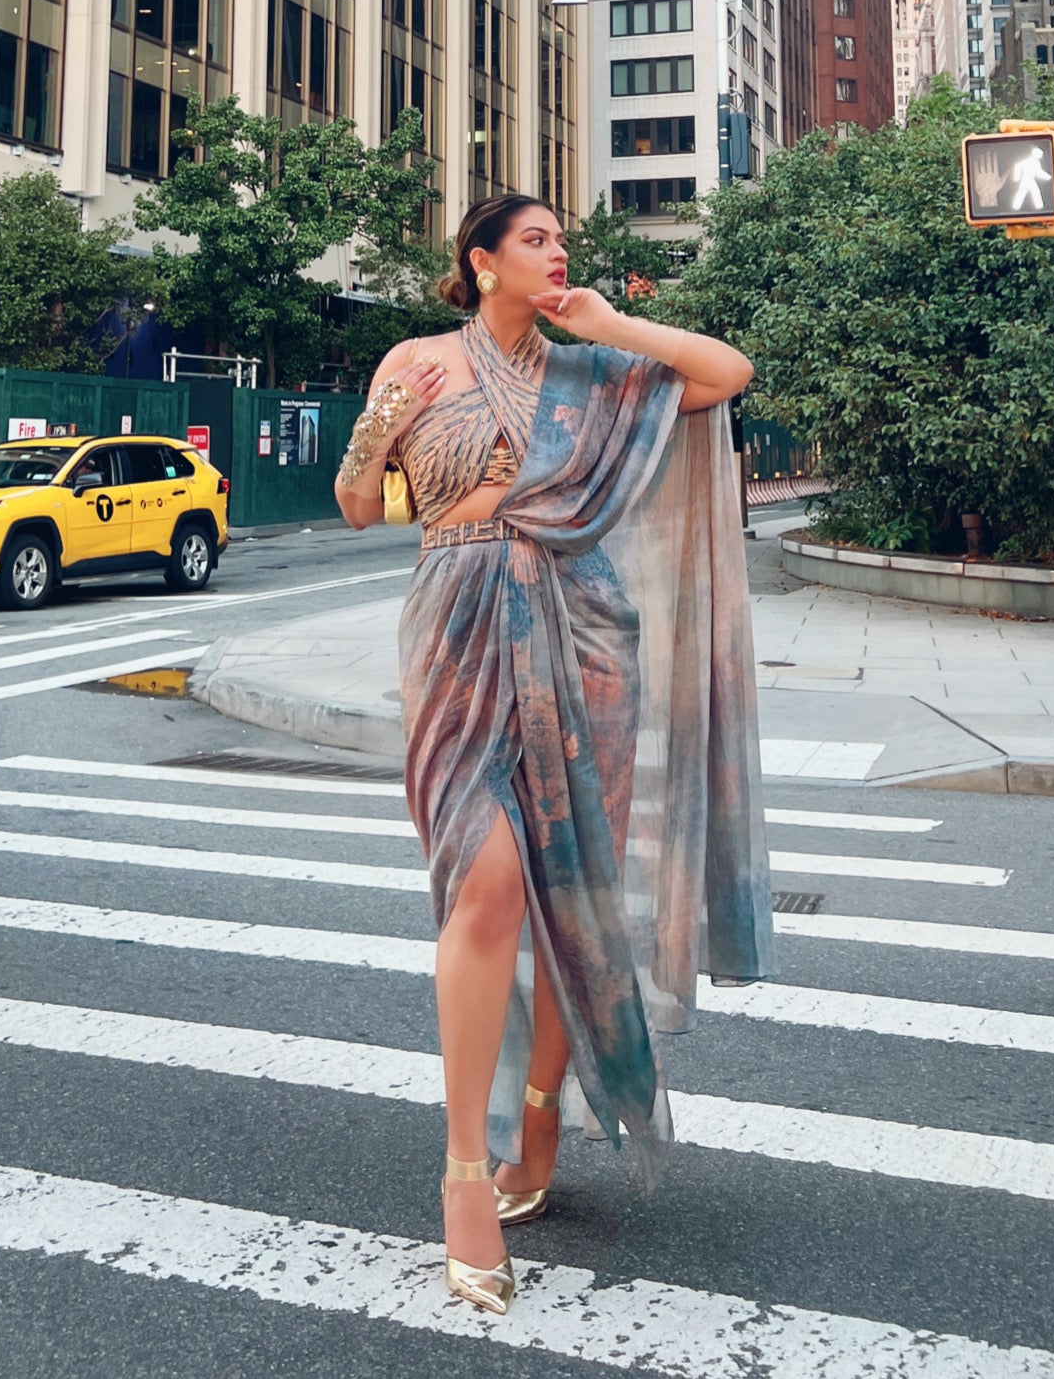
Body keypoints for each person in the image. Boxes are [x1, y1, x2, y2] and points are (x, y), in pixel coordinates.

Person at [334, 196, 772, 1317]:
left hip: (584, 631)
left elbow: (727, 372)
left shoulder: (590, 373)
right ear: (480, 261)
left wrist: (609, 321)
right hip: (456, 617)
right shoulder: (418, 357)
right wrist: (387, 413)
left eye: (560, 240)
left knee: (568, 890)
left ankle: (541, 1114)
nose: (555, 250)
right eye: (534, 239)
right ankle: (465, 1168)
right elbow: (351, 501)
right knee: (482, 885)